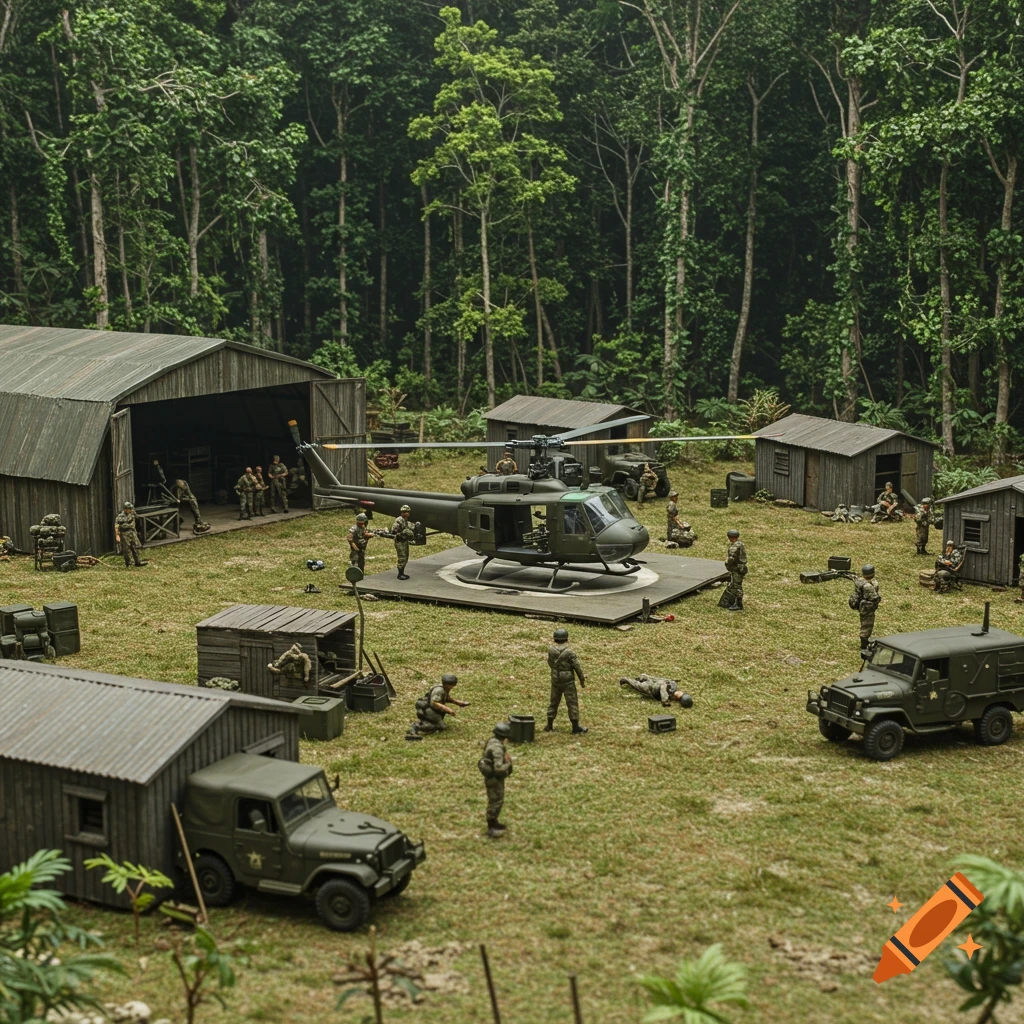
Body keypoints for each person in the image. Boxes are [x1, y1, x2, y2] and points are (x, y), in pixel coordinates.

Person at [545, 627, 588, 734]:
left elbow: (550, 663)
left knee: (553, 702)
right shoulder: (569, 652)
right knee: (572, 703)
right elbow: (577, 667)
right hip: (568, 681)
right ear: (566, 639)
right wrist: (582, 680)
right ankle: (575, 727)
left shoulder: (551, 650)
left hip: (555, 679)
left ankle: (549, 725)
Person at [478, 722, 513, 838]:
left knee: (496, 800)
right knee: (496, 801)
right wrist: (508, 763)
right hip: (494, 777)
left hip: (491, 775)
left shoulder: (492, 741)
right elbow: (499, 769)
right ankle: (491, 827)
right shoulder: (497, 748)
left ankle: (494, 822)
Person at [850, 564, 881, 658]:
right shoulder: (868, 586)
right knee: (867, 626)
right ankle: (864, 647)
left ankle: (865, 642)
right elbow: (874, 597)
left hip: (862, 606)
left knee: (864, 625)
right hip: (867, 609)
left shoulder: (860, 581)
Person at [619, 675, 694, 708]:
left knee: (638, 685)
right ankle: (642, 677)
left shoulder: (670, 696)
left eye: (680, 696)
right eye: (682, 693)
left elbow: (663, 688)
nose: (680, 693)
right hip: (655, 682)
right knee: (643, 677)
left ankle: (626, 680)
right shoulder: (673, 686)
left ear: (678, 699)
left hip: (651, 688)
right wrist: (665, 700)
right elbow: (664, 682)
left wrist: (665, 700)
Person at [114, 501, 147, 568]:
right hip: (124, 534)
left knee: (134, 547)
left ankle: (138, 562)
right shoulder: (120, 517)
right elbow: (117, 526)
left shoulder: (132, 514)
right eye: (129, 509)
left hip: (132, 533)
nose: (130, 510)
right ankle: (128, 563)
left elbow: (137, 518)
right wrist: (117, 535)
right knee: (126, 549)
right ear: (126, 509)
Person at [722, 528, 747, 611]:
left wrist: (727, 564)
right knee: (734, 585)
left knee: (737, 586)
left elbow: (731, 559)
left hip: (737, 568)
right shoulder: (740, 544)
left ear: (729, 537)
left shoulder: (734, 547)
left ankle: (738, 604)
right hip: (741, 567)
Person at [390, 504, 417, 580]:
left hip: (404, 541)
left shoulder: (405, 520)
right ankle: (400, 574)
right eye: (406, 512)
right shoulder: (399, 520)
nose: (408, 513)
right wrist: (402, 533)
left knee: (406, 556)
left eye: (408, 512)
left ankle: (402, 572)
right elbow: (393, 531)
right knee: (402, 557)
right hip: (400, 541)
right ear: (402, 512)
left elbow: (410, 527)